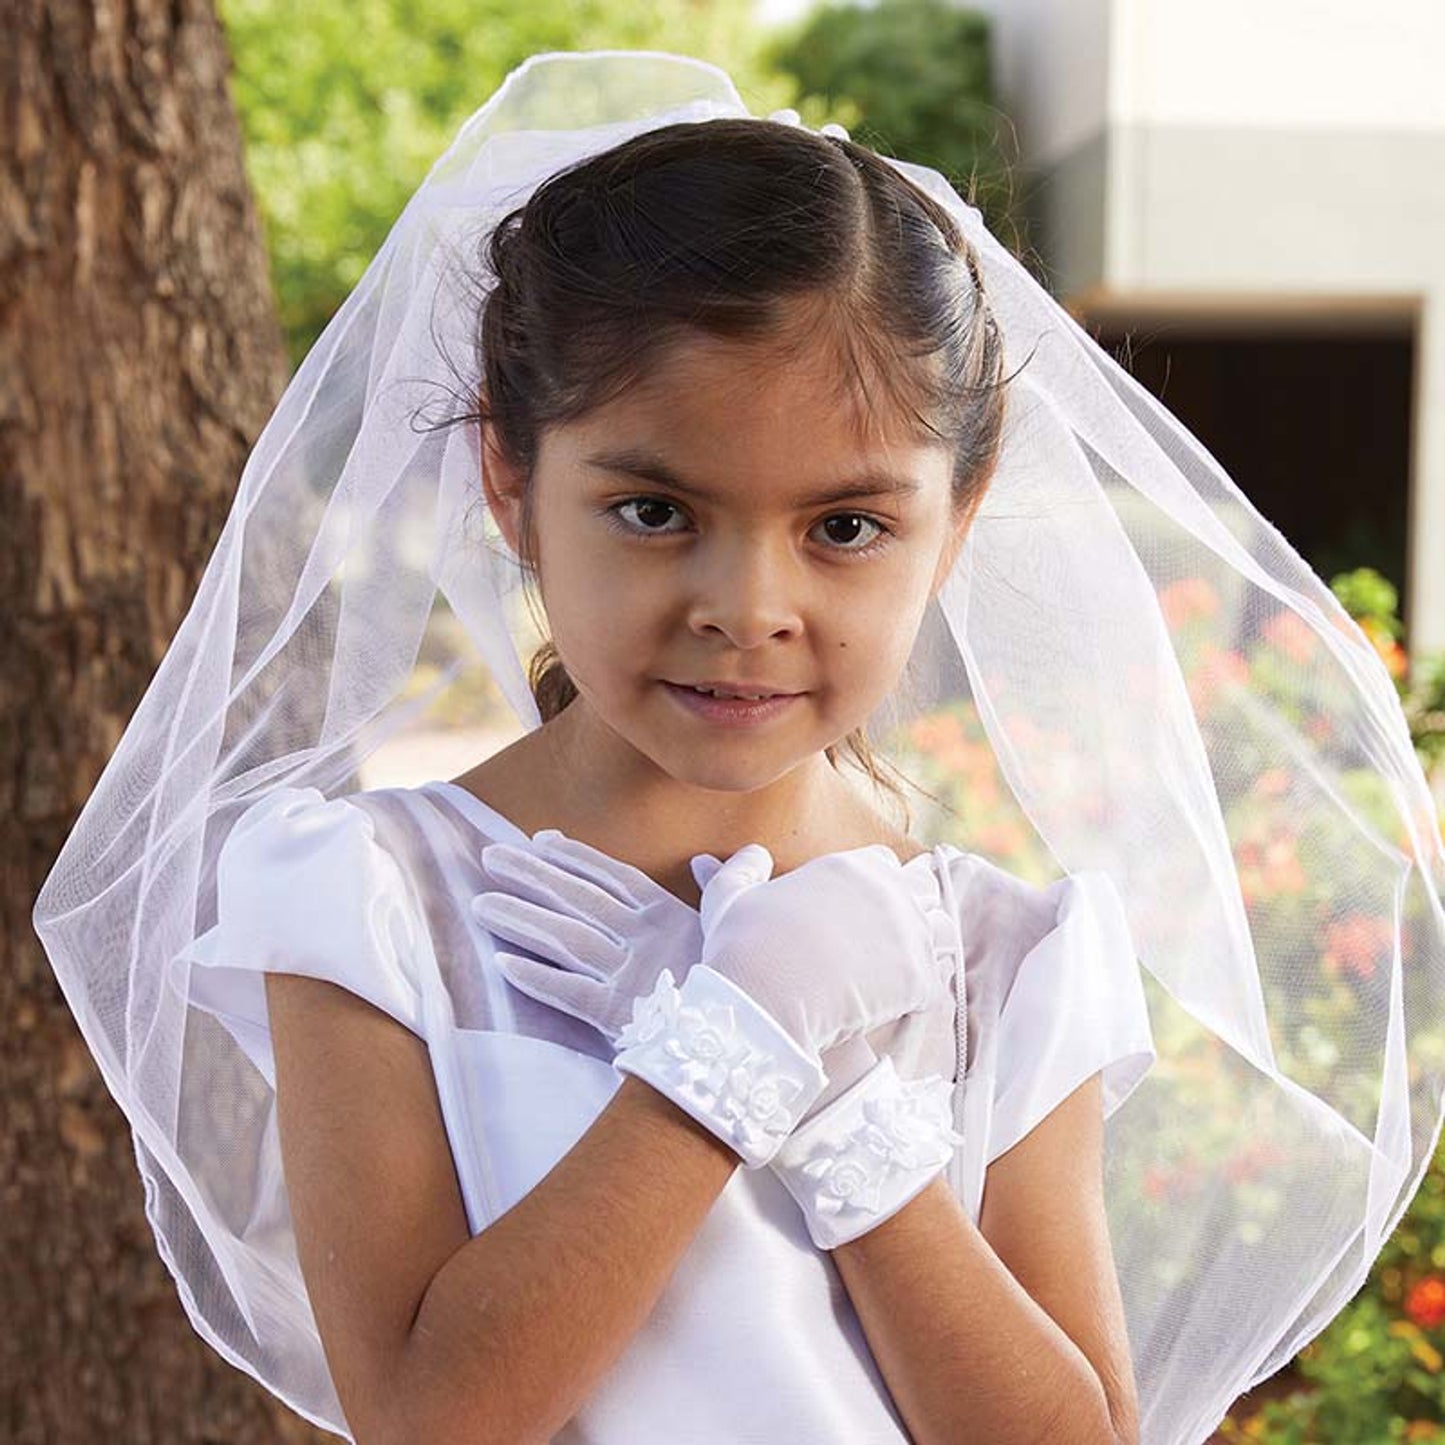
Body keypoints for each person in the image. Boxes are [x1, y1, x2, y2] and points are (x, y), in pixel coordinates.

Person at [31, 49, 1445, 1445]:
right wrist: (719, 1053)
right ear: (510, 483)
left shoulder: (1002, 954)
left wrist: (842, 1119)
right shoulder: (368, 900)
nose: (748, 609)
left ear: (955, 517)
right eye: (654, 512)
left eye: (844, 526)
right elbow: (431, 1418)